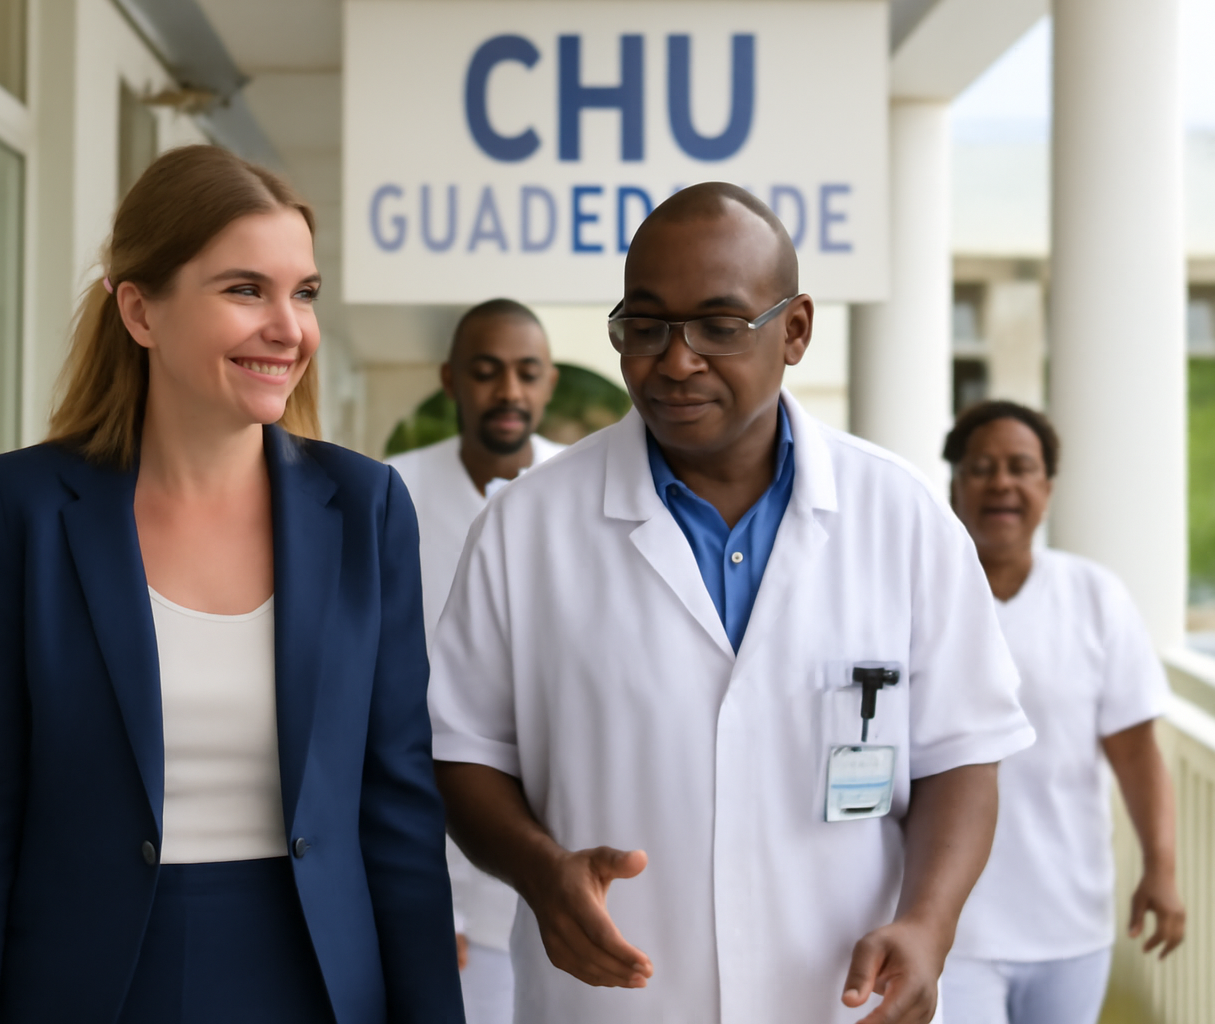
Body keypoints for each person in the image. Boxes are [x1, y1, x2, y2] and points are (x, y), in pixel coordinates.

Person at [427, 182, 1036, 1024]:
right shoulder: (525, 524)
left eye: (720, 326)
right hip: (612, 1004)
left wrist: (929, 924)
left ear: (796, 330)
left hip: (836, 999)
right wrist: (539, 870)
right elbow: (463, 752)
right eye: (646, 326)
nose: (677, 360)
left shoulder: (902, 518)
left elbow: (963, 754)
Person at [0, 145, 464, 1024]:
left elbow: (398, 809)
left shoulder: (366, 508)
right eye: (246, 290)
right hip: (88, 992)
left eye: (304, 293)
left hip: (318, 989)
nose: (289, 327)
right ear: (140, 311)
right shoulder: (21, 508)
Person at [940, 401, 1185, 1024]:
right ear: (954, 485)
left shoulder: (1095, 597)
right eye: (982, 468)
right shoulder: (924, 596)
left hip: (1069, 922)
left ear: (1047, 488)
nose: (1002, 483)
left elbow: (1137, 755)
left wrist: (1161, 869)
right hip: (948, 926)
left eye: (1021, 468)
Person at [387, 299, 564, 1024]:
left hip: (571, 870)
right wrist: (431, 898)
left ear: (549, 381)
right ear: (450, 380)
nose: (509, 392)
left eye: (527, 372)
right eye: (487, 372)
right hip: (441, 885)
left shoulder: (582, 491)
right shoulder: (390, 495)